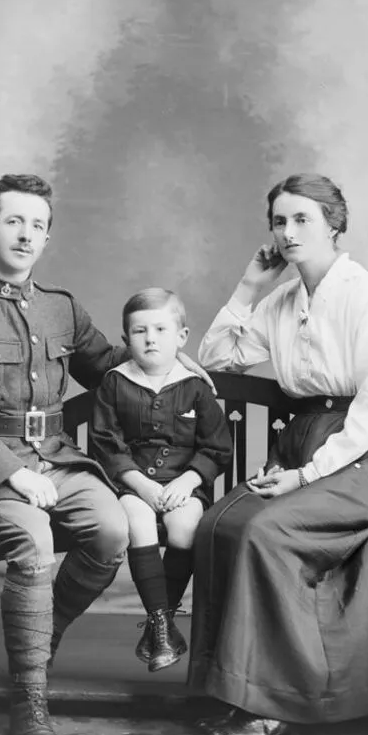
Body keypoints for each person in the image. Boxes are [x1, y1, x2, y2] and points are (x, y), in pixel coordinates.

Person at [0, 174, 213, 735]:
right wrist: (12, 474)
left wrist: (177, 367)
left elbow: (112, 368)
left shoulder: (60, 308)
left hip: (57, 460)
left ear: (47, 237)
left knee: (113, 528)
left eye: (38, 226)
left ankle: (39, 639)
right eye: (14, 222)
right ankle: (29, 698)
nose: (27, 235)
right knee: (31, 535)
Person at [187, 173, 368, 735]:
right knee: (219, 524)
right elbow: (214, 357)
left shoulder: (366, 296)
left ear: (335, 224)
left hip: (364, 455)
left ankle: (269, 705)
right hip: (302, 440)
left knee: (266, 531)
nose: (288, 233)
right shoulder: (283, 299)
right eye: (279, 221)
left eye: (302, 219)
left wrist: (308, 475)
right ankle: (226, 685)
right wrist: (246, 287)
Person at [90, 288, 233, 672]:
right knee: (136, 519)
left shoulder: (195, 386)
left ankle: (160, 623)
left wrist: (188, 482)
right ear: (125, 339)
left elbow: (217, 446)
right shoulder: (115, 383)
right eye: (139, 331)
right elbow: (106, 444)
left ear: (181, 338)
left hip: (182, 484)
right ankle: (161, 622)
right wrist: (142, 485)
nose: (150, 338)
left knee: (186, 526)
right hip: (133, 484)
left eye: (160, 329)